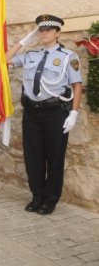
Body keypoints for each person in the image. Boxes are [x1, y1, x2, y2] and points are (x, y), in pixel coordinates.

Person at [6, 14, 82, 215]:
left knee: (55, 157)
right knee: (33, 156)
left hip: (55, 112)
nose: (44, 33)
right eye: (41, 29)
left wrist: (73, 113)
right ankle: (37, 196)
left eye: (48, 29)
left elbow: (77, 85)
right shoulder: (30, 55)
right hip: (32, 112)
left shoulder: (68, 57)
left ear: (57, 32)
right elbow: (4, 59)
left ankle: (50, 199)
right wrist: (23, 42)